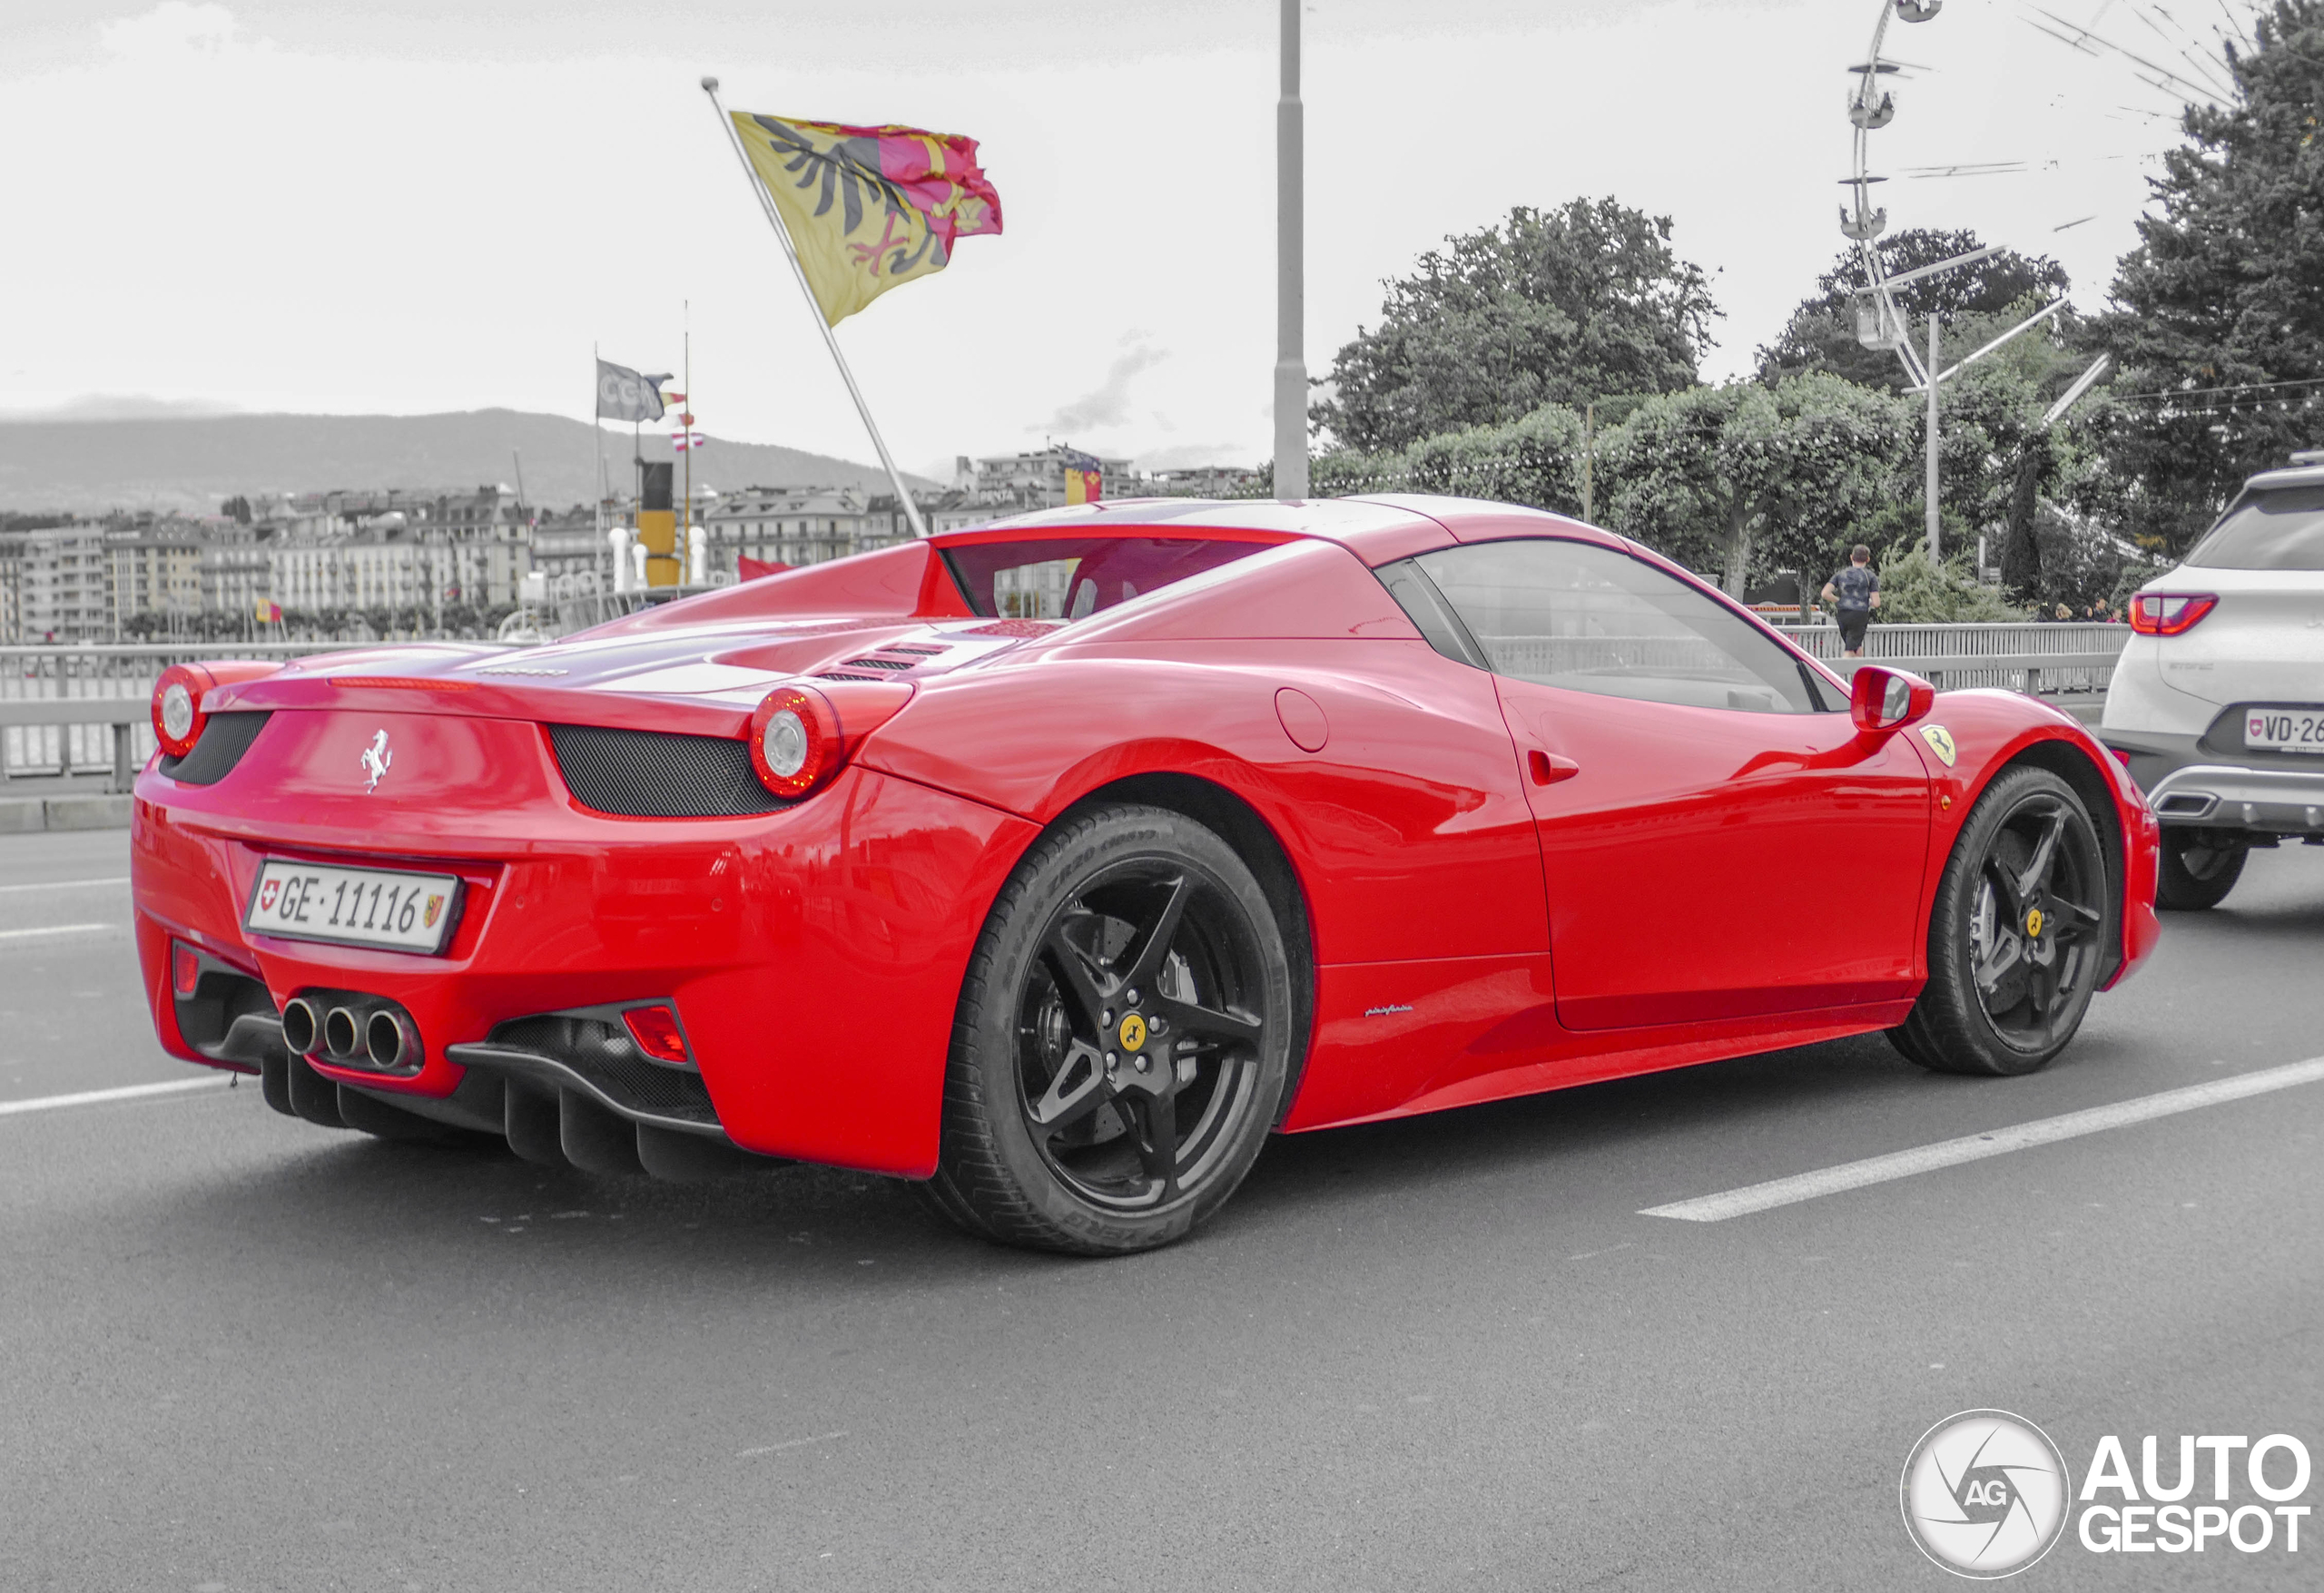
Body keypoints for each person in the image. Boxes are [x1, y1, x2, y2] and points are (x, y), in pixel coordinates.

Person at [1821, 545, 1881, 658]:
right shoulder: (1870, 576)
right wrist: (1868, 602)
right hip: (1859, 615)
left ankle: (1858, 674)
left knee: (1856, 648)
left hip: (1842, 615)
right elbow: (1877, 603)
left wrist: (1839, 600)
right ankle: (1838, 674)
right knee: (1849, 650)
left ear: (1851, 557)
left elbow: (1825, 593)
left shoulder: (1840, 574)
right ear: (1867, 559)